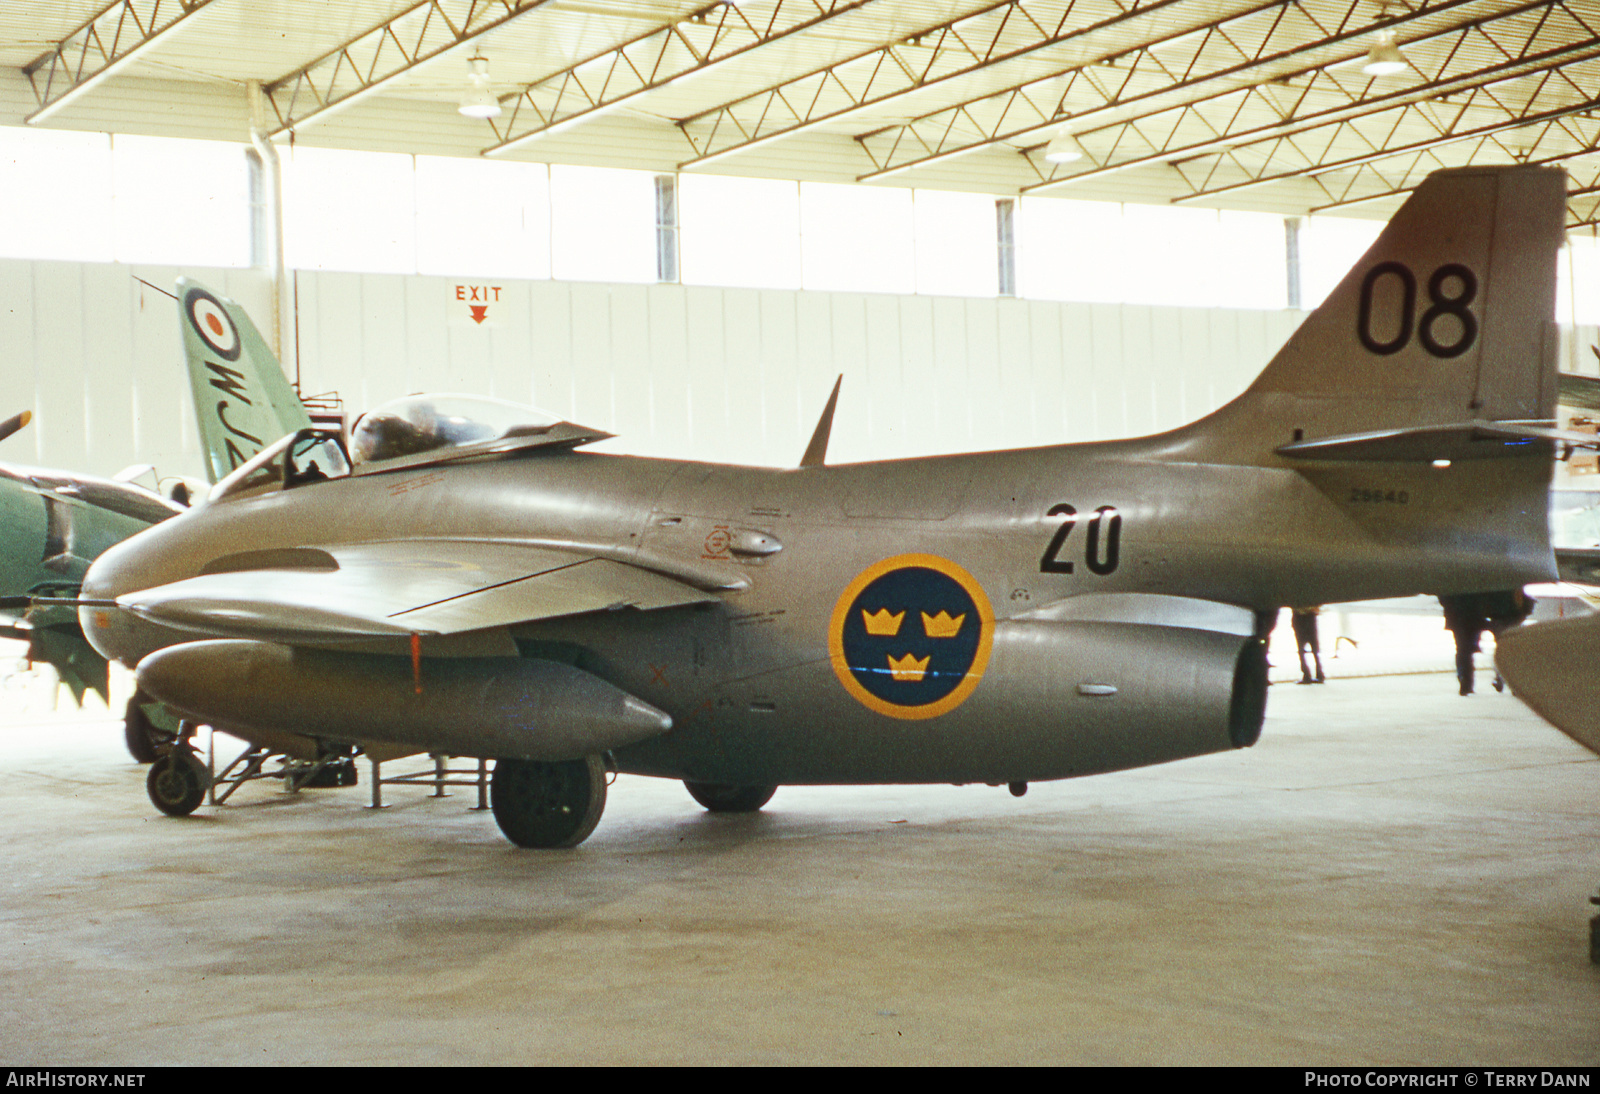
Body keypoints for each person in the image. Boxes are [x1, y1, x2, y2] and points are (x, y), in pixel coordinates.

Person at [1291, 606, 1325, 684]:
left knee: (1301, 650)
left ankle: (1307, 676)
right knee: (1314, 650)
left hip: (1300, 618)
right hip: (1310, 618)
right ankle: (1319, 675)